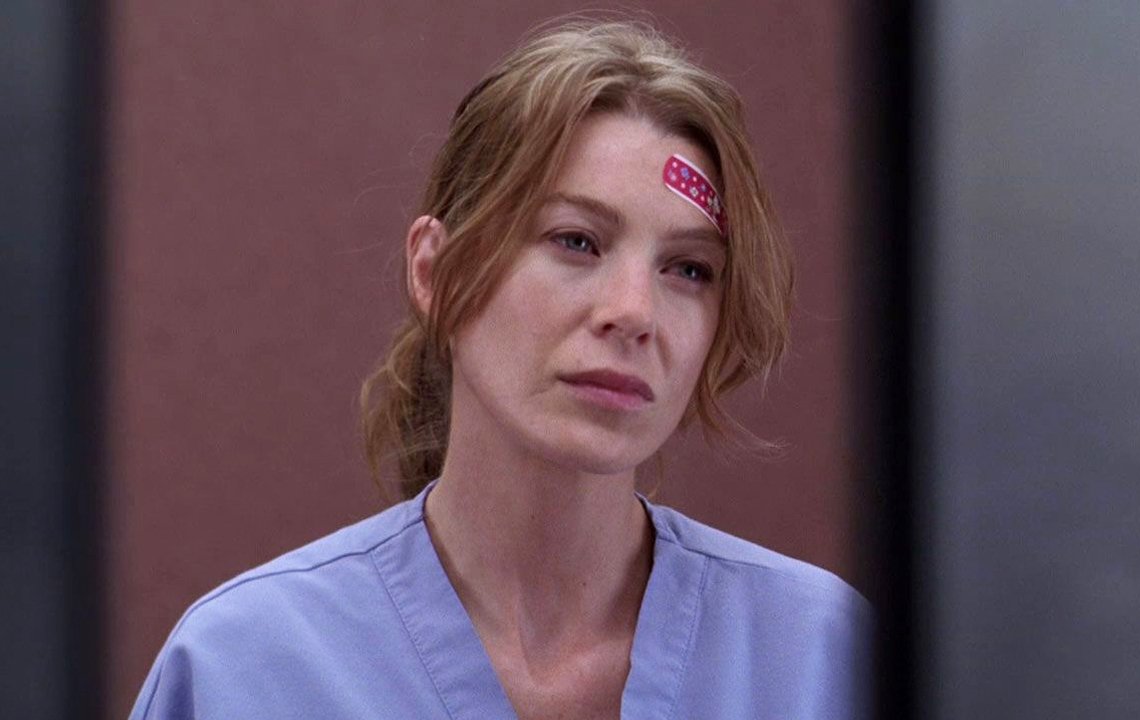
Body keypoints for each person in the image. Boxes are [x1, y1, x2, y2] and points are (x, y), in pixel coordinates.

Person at [130, 19, 870, 719]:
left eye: (689, 269)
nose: (634, 311)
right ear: (436, 272)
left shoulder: (822, 658)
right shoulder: (244, 668)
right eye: (577, 241)